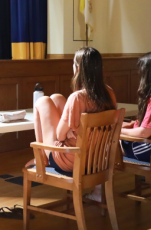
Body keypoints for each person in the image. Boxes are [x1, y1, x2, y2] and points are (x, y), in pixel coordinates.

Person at [26, 47, 117, 200]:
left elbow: (59, 136)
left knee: (43, 101)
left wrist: (68, 131)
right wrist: (72, 130)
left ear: (78, 68)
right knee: (56, 98)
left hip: (71, 160)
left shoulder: (78, 97)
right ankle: (97, 191)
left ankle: (42, 157)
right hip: (97, 159)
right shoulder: (109, 93)